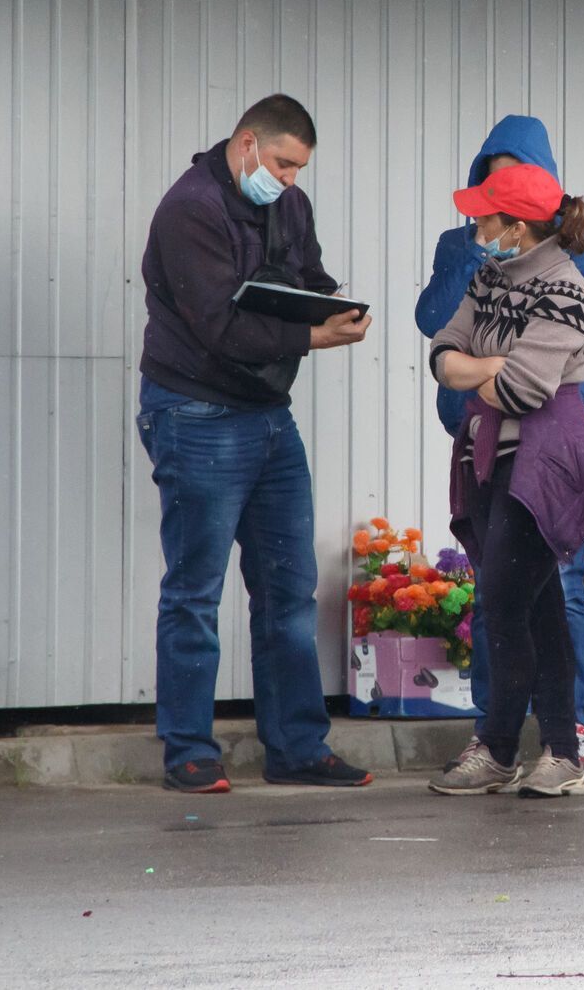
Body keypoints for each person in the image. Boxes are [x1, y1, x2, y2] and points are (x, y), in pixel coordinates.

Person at [137, 94, 375, 794]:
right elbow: (220, 328)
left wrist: (335, 306)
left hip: (268, 415)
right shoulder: (190, 209)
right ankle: (188, 750)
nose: (289, 179)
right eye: (281, 163)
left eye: (299, 168)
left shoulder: (289, 207)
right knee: (195, 590)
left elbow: (307, 279)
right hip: (195, 411)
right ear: (246, 143)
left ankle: (297, 746)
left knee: (288, 588)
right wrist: (311, 334)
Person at [415, 117, 584, 775]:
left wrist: (485, 369)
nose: (476, 233)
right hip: (493, 456)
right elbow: (443, 351)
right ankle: (559, 750)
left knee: (503, 599)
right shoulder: (489, 280)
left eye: (487, 220)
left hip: (545, 465)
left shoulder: (565, 286)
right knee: (540, 601)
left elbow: (525, 388)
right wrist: (484, 369)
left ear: (517, 227)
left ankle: (500, 746)